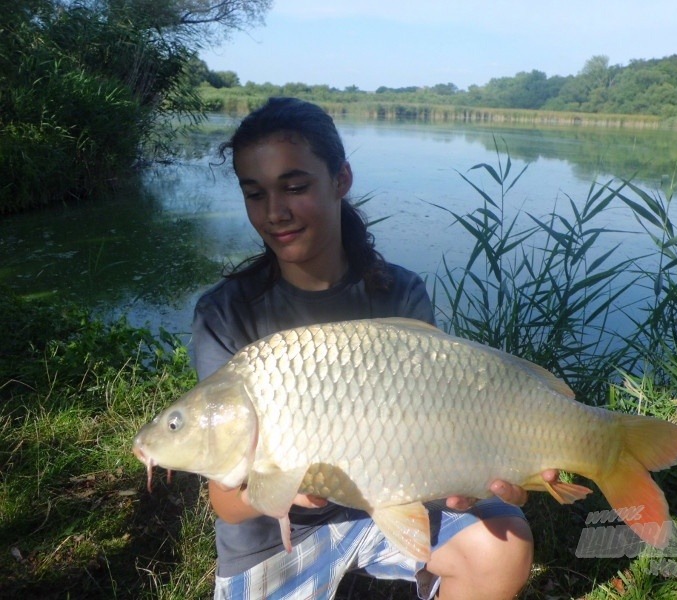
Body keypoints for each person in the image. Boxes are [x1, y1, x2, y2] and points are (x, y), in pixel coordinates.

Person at [191, 97, 550, 600]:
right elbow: (226, 504)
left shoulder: (399, 292)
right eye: (255, 194)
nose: (275, 212)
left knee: (502, 542)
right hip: (275, 539)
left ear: (341, 180)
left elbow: (437, 428)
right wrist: (276, 493)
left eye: (295, 187)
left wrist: (478, 468)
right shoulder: (226, 314)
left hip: (394, 507)